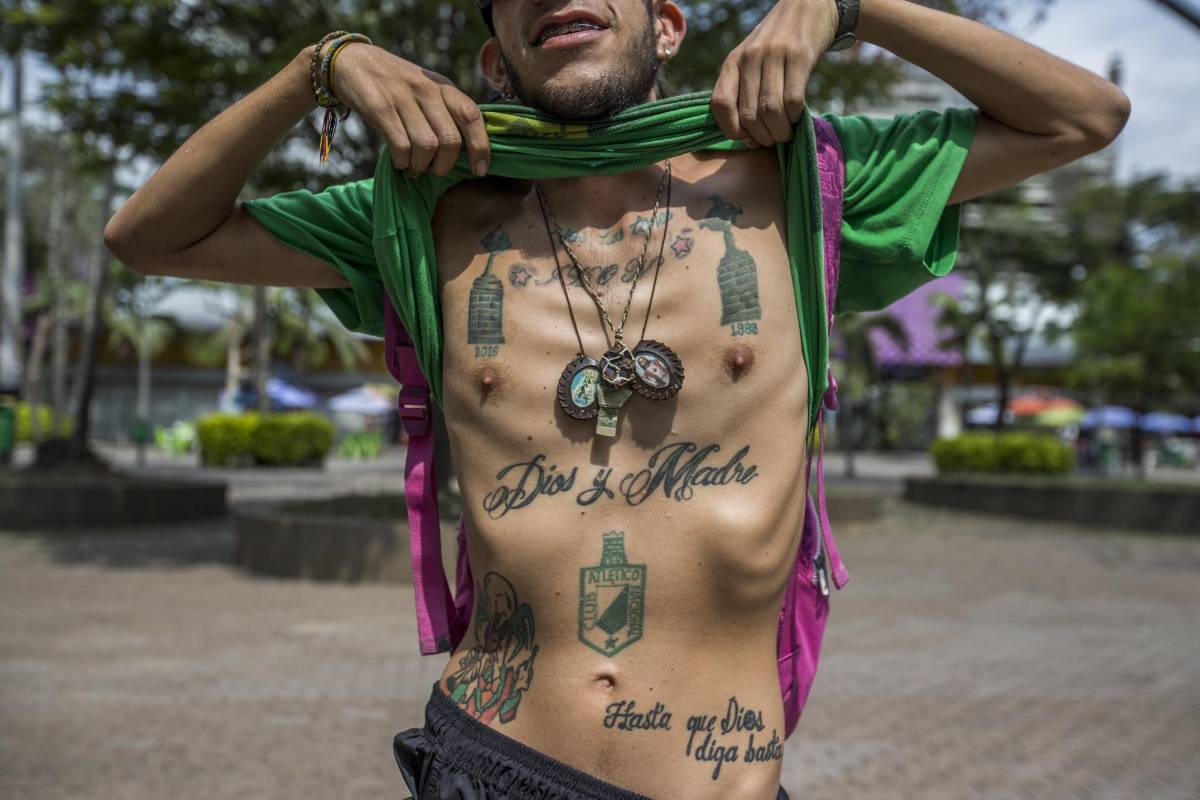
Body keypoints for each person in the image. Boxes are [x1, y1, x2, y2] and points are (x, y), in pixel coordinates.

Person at [103, 1, 1129, 797]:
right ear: (497, 58)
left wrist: (847, 7)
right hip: (491, 755)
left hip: (717, 770)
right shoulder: (426, 211)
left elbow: (1084, 115)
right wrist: (321, 65)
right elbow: (147, 237)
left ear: (666, 25)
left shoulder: (805, 182)